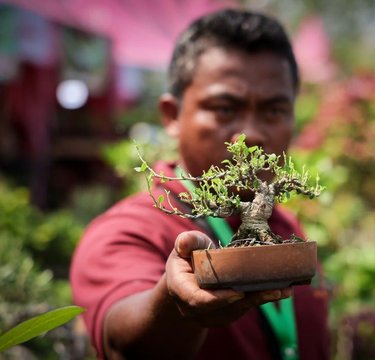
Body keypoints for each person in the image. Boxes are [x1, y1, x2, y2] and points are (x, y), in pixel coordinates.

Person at [70, 8, 329, 360]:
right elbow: (122, 344)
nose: (252, 133)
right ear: (171, 116)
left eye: (273, 111)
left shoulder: (283, 225)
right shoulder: (129, 230)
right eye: (224, 108)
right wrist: (174, 303)